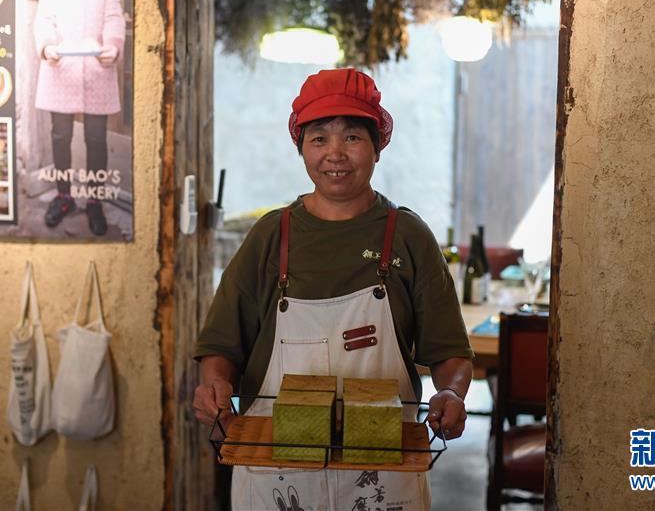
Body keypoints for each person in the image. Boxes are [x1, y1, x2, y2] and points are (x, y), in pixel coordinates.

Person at [193, 68, 474, 511]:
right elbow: (222, 345)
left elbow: (450, 352)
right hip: (279, 471)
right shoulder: (271, 236)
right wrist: (214, 385)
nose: (335, 154)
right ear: (301, 148)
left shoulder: (408, 236)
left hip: (383, 473)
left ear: (377, 147)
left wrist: (452, 393)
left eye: (353, 138)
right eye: (319, 139)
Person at [34, 0, 125, 236]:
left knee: (96, 139)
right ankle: (64, 197)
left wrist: (113, 46)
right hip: (61, 69)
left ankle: (94, 201)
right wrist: (47, 47)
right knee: (60, 136)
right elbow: (44, 20)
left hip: (96, 71)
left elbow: (113, 18)